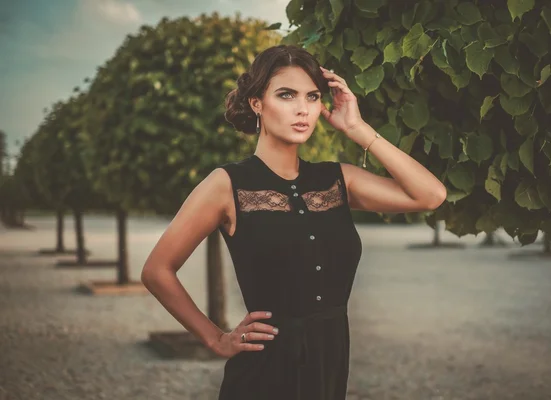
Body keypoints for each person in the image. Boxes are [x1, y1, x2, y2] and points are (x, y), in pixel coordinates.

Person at [141, 44, 447, 399]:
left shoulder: (338, 180)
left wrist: (358, 128)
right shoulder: (226, 184)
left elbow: (430, 195)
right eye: (287, 95)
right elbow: (157, 270)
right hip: (263, 372)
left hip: (329, 365)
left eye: (313, 96)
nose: (302, 109)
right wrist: (216, 338)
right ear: (257, 102)